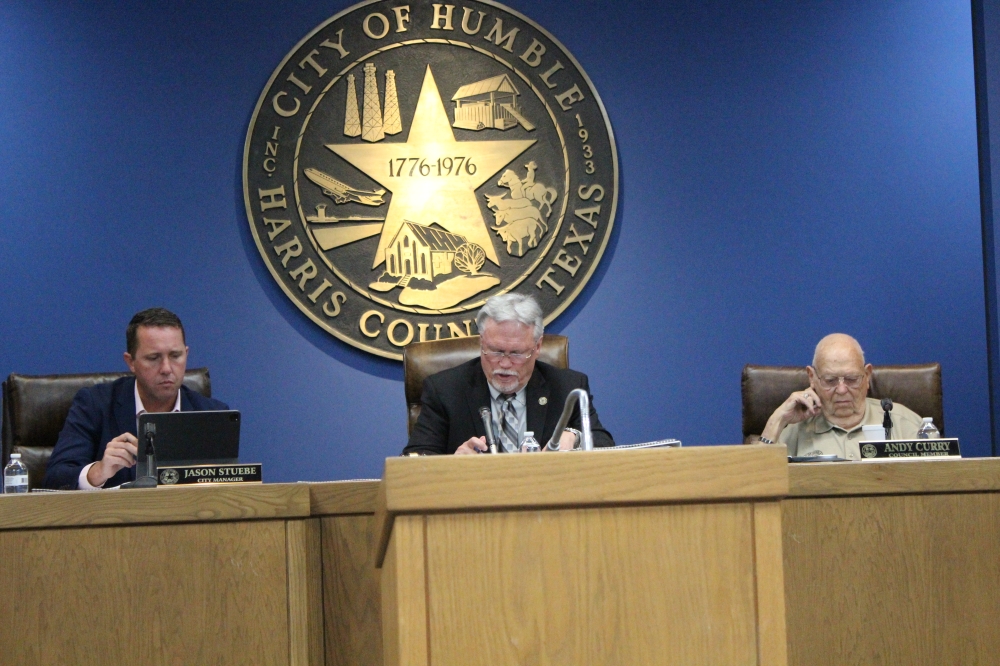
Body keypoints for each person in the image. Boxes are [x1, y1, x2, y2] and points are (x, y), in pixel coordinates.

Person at [403, 294, 614, 455]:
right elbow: (414, 459)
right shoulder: (445, 390)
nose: (504, 363)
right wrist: (453, 464)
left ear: (537, 347)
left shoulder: (567, 387)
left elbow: (605, 446)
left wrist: (574, 437)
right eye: (495, 351)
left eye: (516, 353)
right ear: (481, 342)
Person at [43, 308, 228, 489]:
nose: (166, 368)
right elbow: (55, 479)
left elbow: (230, 489)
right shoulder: (94, 404)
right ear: (131, 362)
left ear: (186, 354)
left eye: (175, 356)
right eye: (153, 358)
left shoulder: (214, 414)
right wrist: (98, 472)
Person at [757, 333, 923, 460]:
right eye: (830, 380)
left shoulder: (905, 425)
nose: (842, 390)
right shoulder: (794, 432)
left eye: (851, 379)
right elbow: (754, 485)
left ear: (867, 376)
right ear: (812, 378)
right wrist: (777, 420)